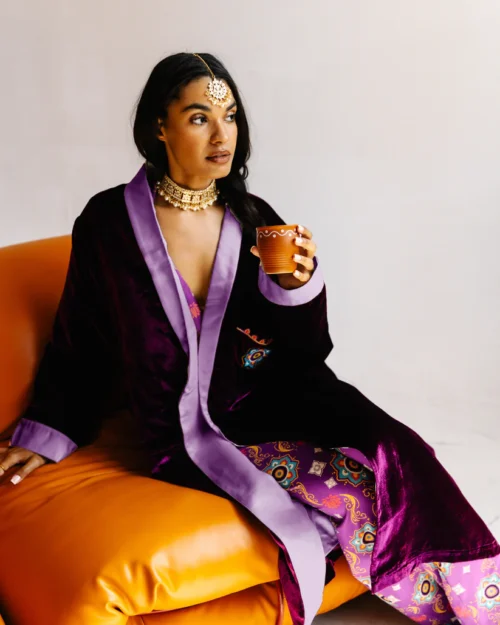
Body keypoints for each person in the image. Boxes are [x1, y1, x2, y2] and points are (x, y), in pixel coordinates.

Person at [0, 52, 498, 625]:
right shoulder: (109, 223)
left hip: (271, 402)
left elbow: (303, 354)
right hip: (184, 431)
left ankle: (482, 605)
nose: (222, 135)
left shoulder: (252, 217)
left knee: (396, 454)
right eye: (199, 118)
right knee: (348, 494)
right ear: (158, 126)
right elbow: (81, 340)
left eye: (230, 116)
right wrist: (49, 430)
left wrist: (297, 289)